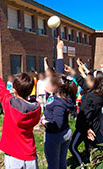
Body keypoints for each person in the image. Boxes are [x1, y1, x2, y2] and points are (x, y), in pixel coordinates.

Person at [0, 51, 41, 169]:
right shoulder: (37, 108)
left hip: (13, 156)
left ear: (14, 91)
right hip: (30, 156)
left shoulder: (9, 103)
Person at [41, 37, 76, 169]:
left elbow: (57, 125)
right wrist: (59, 50)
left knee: (53, 166)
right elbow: (60, 71)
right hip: (65, 133)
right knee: (62, 163)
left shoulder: (58, 103)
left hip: (56, 136)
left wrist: (44, 122)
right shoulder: (63, 93)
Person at [65, 64, 103, 168]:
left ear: (93, 82)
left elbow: (83, 116)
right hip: (95, 126)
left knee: (72, 146)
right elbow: (83, 82)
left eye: (88, 79)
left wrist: (86, 129)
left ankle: (81, 165)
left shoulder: (89, 97)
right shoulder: (99, 93)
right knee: (90, 146)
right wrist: (73, 72)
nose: (85, 81)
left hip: (84, 128)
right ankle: (91, 160)